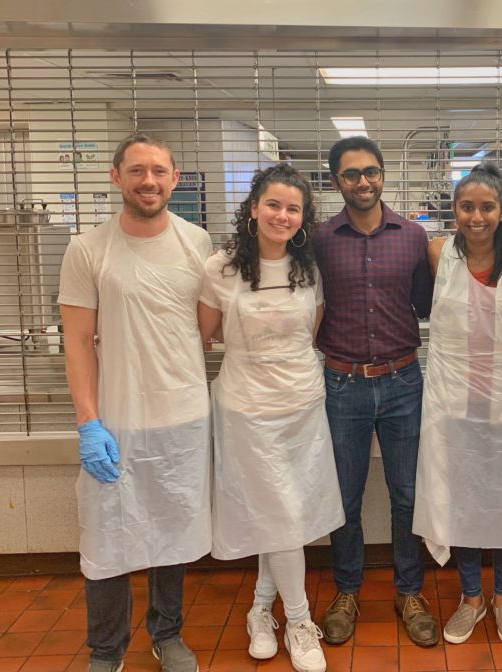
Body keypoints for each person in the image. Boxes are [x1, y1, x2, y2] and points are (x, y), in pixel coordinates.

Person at [58, 133, 210, 672]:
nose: (149, 181)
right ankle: (106, 649)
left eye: (159, 171)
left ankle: (166, 634)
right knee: (108, 536)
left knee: (171, 530)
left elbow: (207, 328)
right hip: (117, 420)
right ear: (115, 176)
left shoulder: (198, 243)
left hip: (182, 415)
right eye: (138, 170)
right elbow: (76, 340)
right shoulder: (88, 249)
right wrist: (88, 421)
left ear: (175, 178)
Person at [197, 163, 342, 672]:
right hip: (246, 409)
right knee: (279, 513)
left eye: (293, 208)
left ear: (303, 218)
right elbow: (205, 336)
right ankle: (300, 622)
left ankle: (261, 609)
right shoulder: (220, 268)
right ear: (254, 208)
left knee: (281, 513)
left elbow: (311, 334)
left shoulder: (310, 268)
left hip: (303, 406)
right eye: (273, 204)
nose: (282, 215)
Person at [314, 136, 439, 647]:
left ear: (383, 175)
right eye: (350, 174)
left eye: (371, 171)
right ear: (335, 182)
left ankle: (409, 591)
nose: (362, 181)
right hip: (341, 384)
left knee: (407, 492)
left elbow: (427, 305)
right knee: (343, 495)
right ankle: (347, 590)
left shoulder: (413, 237)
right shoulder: (318, 240)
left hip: (404, 381)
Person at [412, 164, 502, 647]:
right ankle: (470, 598)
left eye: (487, 207)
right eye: (467, 207)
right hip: (451, 399)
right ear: (455, 210)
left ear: (501, 211)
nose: (476, 216)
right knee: (459, 497)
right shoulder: (440, 253)